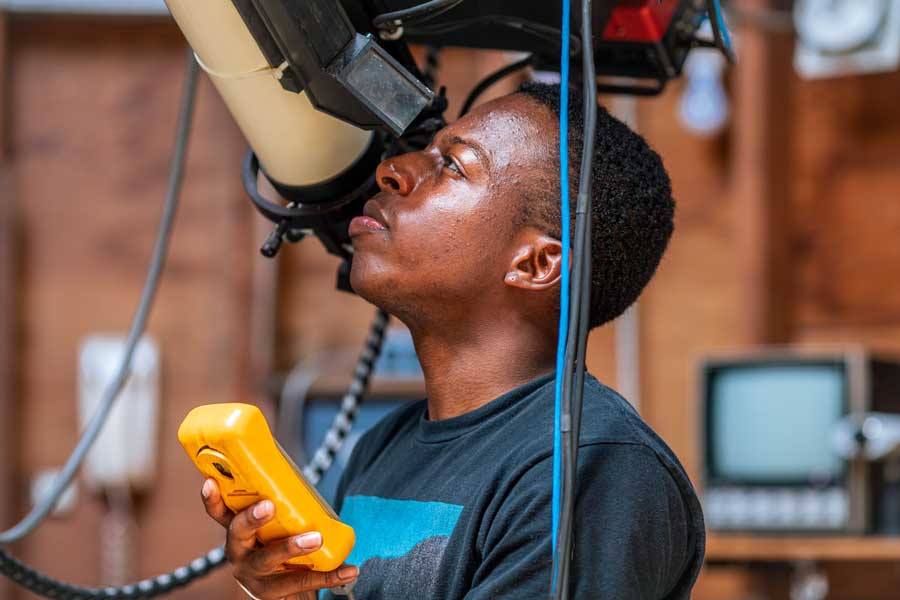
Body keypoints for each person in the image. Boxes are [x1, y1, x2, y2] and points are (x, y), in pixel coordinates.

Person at [199, 82, 705, 599]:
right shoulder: (383, 447)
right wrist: (289, 594)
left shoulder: (590, 471)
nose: (393, 171)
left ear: (537, 264)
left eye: (453, 165)